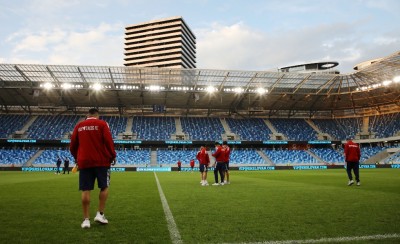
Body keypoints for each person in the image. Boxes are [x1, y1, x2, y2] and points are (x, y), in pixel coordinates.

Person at [70, 108, 116, 229]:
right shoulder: (102, 124)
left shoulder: (79, 125)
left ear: (87, 115)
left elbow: (72, 145)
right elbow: (108, 141)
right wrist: (112, 155)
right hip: (102, 161)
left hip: (84, 162)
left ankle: (86, 220)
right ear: (97, 115)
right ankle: (100, 214)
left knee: (86, 190)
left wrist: (77, 158)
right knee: (104, 186)